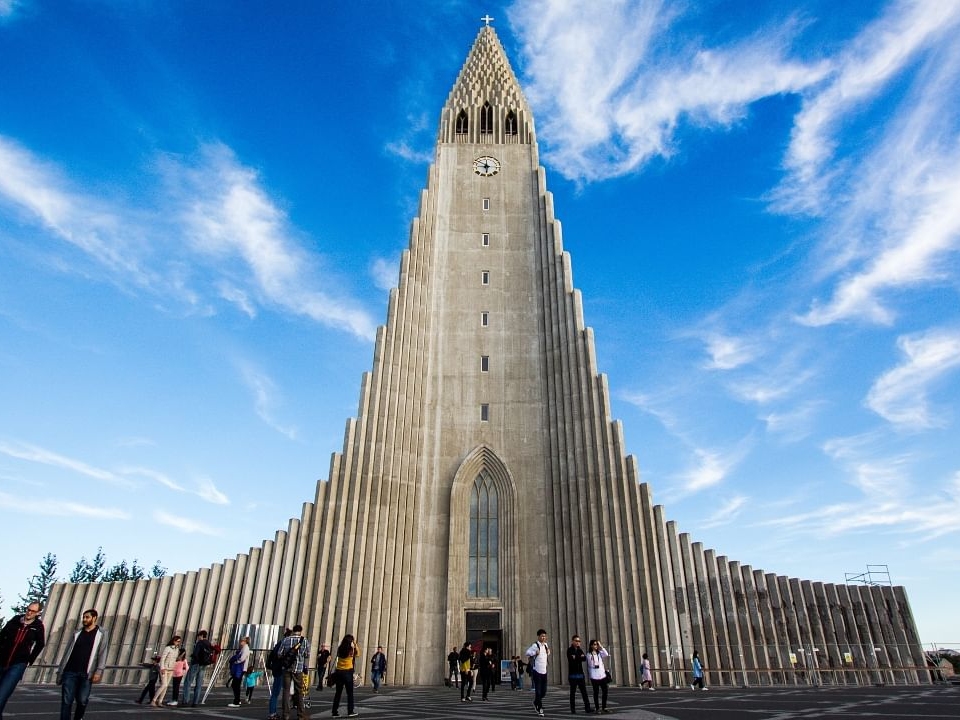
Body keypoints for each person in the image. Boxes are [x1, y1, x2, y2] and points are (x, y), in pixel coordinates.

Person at [56, 608, 108, 720]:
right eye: (83, 617)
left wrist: (99, 671)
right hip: (70, 671)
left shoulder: (101, 634)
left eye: (87, 617)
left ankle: (78, 718)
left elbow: (103, 653)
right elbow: (67, 653)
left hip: (87, 673)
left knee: (82, 700)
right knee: (66, 700)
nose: (84, 619)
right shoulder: (77, 633)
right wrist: (60, 671)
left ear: (94, 618)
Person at [0, 601, 45, 717]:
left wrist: (30, 659)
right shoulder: (15, 620)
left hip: (18, 664)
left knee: (2, 696)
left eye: (33, 611)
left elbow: (40, 644)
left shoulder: (38, 626)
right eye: (28, 609)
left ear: (38, 613)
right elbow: (2, 635)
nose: (29, 612)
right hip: (2, 660)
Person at [279, 624, 311, 719]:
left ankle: (286, 715)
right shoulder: (304, 641)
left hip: (287, 669)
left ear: (293, 630)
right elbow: (307, 654)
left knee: (286, 691)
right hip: (298, 669)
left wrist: (287, 657)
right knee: (299, 691)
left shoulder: (286, 640)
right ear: (300, 631)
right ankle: (301, 715)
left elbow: (279, 654)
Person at [181, 629, 215, 707]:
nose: (198, 638)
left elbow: (196, 654)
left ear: (201, 636)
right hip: (204, 665)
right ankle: (195, 702)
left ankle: (186, 700)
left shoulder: (200, 643)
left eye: (199, 636)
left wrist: (193, 657)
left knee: (188, 682)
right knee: (199, 684)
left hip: (196, 664)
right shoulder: (209, 644)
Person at [331, 633, 359, 718]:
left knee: (338, 693)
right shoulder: (351, 650)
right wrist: (355, 644)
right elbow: (358, 654)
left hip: (339, 672)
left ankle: (334, 712)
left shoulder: (340, 648)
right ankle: (350, 711)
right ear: (351, 641)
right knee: (350, 693)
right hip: (348, 672)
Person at [267, 628, 291, 720]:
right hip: (280, 670)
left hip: (276, 669)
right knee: (277, 692)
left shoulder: (279, 643)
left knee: (276, 692)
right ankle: (273, 713)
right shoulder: (284, 644)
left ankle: (274, 712)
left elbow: (272, 655)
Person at [525, 629, 550, 717]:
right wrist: (534, 652)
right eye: (542, 636)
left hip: (544, 671)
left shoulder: (546, 645)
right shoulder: (535, 645)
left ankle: (536, 702)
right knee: (538, 691)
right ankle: (540, 708)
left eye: (545, 636)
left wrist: (548, 652)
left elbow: (545, 655)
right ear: (538, 636)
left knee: (544, 691)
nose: (544, 637)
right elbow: (527, 653)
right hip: (537, 671)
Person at [152, 634, 181, 706]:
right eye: (177, 641)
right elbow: (163, 658)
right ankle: (154, 700)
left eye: (179, 641)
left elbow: (175, 659)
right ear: (174, 641)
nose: (178, 643)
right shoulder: (168, 648)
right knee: (163, 684)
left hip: (171, 669)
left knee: (166, 686)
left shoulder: (177, 649)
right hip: (165, 668)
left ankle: (160, 701)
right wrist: (162, 668)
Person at [566, 634, 593, 714]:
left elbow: (584, 658)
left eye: (579, 641)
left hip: (580, 674)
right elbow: (571, 659)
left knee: (584, 692)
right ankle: (573, 709)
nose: (578, 642)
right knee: (572, 693)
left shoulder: (580, 650)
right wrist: (579, 657)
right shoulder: (569, 650)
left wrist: (576, 657)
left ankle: (587, 708)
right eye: (576, 641)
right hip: (572, 675)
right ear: (573, 641)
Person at [585, 639, 611, 714]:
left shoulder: (599, 653)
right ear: (591, 645)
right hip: (594, 676)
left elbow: (606, 654)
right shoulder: (589, 654)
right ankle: (597, 708)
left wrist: (601, 646)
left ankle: (604, 707)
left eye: (596, 644)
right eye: (594, 644)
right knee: (596, 692)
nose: (595, 646)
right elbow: (591, 664)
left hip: (602, 675)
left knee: (605, 691)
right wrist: (594, 655)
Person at [226, 636, 250, 708]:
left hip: (240, 668)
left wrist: (236, 662)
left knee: (235, 684)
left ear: (245, 641)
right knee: (236, 684)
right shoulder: (243, 648)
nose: (240, 642)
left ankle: (236, 701)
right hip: (240, 668)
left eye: (241, 641)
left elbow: (242, 658)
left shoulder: (245, 648)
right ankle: (237, 700)